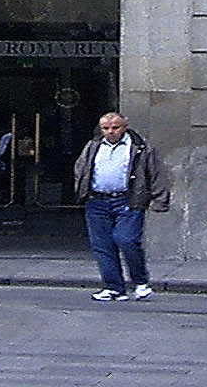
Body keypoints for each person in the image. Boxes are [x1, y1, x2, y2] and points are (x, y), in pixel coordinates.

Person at [70, 111, 165, 301]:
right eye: (106, 128)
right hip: (97, 200)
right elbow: (81, 167)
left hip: (127, 199)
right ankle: (113, 287)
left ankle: (140, 282)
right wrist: (82, 189)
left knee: (126, 239)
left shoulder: (140, 147)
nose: (111, 132)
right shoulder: (93, 146)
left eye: (115, 127)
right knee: (102, 245)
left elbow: (155, 173)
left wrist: (159, 199)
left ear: (125, 127)